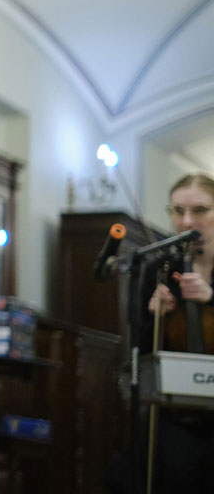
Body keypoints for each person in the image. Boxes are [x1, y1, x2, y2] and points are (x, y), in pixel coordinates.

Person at [141, 172, 214, 490]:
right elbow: (141, 352)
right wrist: (154, 316)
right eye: (178, 211)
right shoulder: (159, 269)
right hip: (177, 414)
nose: (187, 221)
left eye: (200, 210)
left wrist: (212, 296)